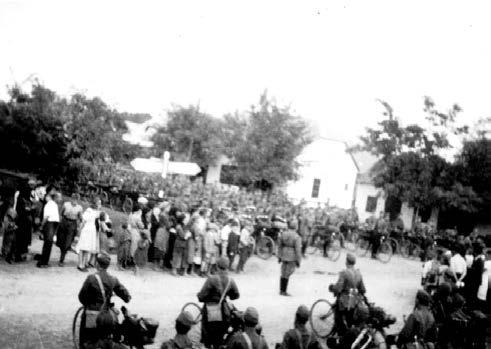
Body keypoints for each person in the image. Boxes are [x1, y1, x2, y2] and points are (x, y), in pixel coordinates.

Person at [78, 253, 131, 348]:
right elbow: (126, 296)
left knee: (86, 338)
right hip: (107, 316)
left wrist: (88, 303)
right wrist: (127, 297)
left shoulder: (91, 278)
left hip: (92, 314)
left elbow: (81, 297)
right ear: (107, 266)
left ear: (97, 264)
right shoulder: (113, 279)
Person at [197, 256, 240, 349]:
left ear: (217, 266)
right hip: (224, 313)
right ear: (227, 267)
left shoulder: (211, 279)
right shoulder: (230, 280)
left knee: (208, 339)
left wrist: (208, 298)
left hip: (209, 313)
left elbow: (201, 297)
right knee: (219, 339)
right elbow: (236, 296)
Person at [328, 253, 367, 334]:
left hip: (344, 302)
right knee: (350, 320)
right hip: (354, 302)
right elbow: (363, 290)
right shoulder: (359, 273)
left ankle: (341, 334)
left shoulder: (344, 273)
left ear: (346, 262)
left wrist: (332, 288)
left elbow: (338, 288)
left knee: (338, 318)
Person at [76, 198, 102, 272]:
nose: (100, 205)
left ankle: (84, 264)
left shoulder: (96, 212)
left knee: (87, 248)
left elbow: (101, 216)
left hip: (92, 231)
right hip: (87, 230)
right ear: (95, 203)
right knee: (82, 247)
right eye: (99, 203)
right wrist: (79, 231)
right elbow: (83, 221)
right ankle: (80, 264)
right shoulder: (89, 210)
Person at [278, 219, 302, 296]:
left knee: (283, 272)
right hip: (292, 256)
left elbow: (279, 246)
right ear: (296, 227)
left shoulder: (283, 234)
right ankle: (284, 291)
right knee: (288, 273)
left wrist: (279, 256)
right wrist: (298, 260)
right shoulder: (297, 236)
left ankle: (281, 290)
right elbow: (298, 250)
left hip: (284, 254)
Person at [56, 195, 83, 266]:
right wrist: (60, 221)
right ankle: (63, 253)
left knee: (68, 241)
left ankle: (62, 259)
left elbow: (80, 218)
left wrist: (78, 227)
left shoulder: (79, 208)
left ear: (78, 200)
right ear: (71, 198)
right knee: (61, 240)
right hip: (64, 222)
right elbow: (61, 213)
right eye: (73, 198)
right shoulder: (66, 204)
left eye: (76, 199)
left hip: (72, 224)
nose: (74, 200)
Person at [36, 192, 61, 268]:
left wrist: (42, 225)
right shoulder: (52, 204)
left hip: (51, 224)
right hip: (52, 224)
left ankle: (44, 262)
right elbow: (49, 217)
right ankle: (44, 262)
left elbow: (48, 217)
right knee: (48, 243)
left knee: (48, 243)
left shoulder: (51, 205)